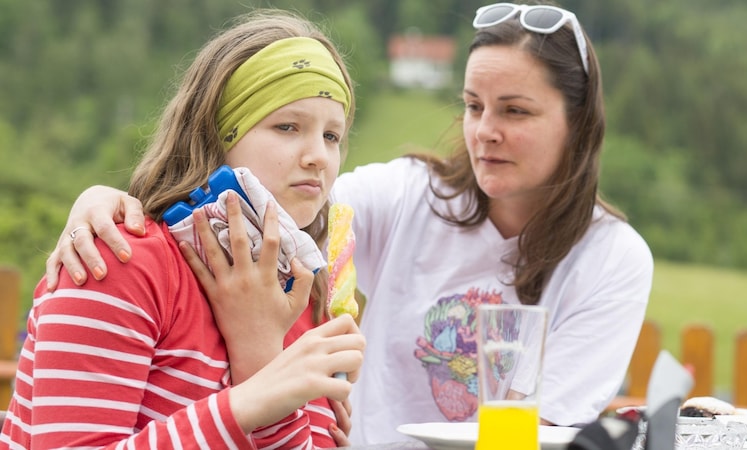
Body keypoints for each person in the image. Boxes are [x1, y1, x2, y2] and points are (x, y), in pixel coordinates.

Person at [43, 1, 654, 444]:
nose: (484, 131)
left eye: (515, 110)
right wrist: (108, 199)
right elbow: (287, 204)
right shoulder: (411, 197)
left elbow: (536, 431)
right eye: (472, 106)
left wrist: (267, 371)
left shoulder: (612, 259)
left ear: (579, 123)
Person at [1, 9, 367, 449]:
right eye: (287, 126)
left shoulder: (303, 298)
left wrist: (261, 357)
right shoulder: (117, 262)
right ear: (216, 136)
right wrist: (253, 399)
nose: (319, 157)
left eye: (332, 135)